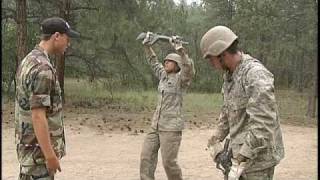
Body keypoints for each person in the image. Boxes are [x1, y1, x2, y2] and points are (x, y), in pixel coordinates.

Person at [200, 26, 284, 180]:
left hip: (257, 163)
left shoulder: (255, 75)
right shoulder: (230, 76)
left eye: (210, 58)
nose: (210, 63)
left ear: (222, 53)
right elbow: (227, 111)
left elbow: (263, 124)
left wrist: (241, 160)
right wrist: (216, 138)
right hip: (238, 157)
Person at [15, 17, 80, 180]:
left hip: (28, 150)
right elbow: (38, 116)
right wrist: (50, 156)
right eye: (67, 38)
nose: (68, 43)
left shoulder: (28, 60)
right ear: (56, 36)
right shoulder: (43, 69)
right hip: (38, 155)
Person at [139, 34, 195, 180]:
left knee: (169, 163)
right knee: (146, 157)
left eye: (170, 61)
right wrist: (147, 46)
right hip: (156, 125)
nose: (166, 63)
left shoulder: (181, 80)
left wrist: (181, 51)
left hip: (171, 128)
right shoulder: (163, 76)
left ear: (177, 65)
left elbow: (189, 69)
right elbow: (153, 62)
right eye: (165, 61)